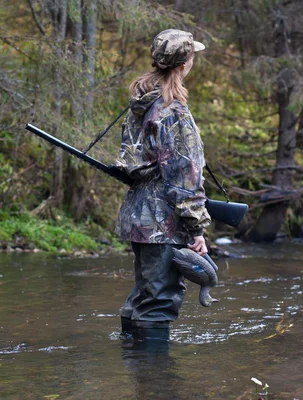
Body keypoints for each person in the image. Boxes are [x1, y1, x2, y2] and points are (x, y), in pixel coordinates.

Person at [114, 29, 211, 337]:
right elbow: (185, 177)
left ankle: (139, 375)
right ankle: (155, 383)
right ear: (184, 64)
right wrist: (196, 229)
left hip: (138, 219)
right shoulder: (174, 111)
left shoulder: (142, 105)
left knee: (143, 297)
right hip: (164, 224)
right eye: (192, 55)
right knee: (156, 304)